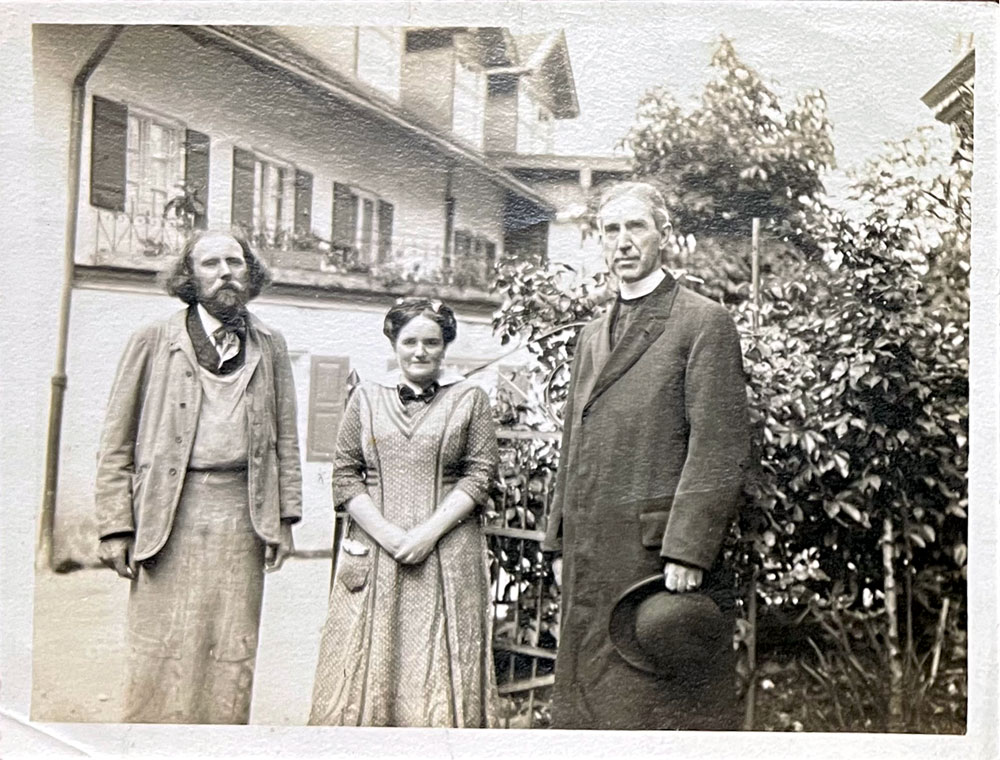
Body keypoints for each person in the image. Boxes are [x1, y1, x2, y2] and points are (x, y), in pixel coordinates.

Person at [542, 181, 751, 730]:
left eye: (636, 227)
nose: (623, 242)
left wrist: (689, 549)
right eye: (611, 230)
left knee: (651, 707)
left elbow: (720, 445)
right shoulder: (591, 334)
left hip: (653, 562)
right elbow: (573, 440)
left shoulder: (701, 322)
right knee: (588, 709)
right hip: (590, 550)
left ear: (665, 236)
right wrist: (559, 537)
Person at [94, 229, 302, 724]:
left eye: (235, 261)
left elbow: (286, 438)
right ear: (189, 276)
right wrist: (115, 525)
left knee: (230, 649)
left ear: (250, 273)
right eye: (211, 263)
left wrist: (285, 518)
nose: (225, 272)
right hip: (169, 510)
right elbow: (116, 440)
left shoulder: (270, 343)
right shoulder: (153, 340)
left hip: (242, 516)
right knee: (159, 649)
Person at [309, 298, 500, 728]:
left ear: (444, 345)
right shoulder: (365, 397)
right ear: (393, 342)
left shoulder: (470, 399)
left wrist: (426, 535)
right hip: (377, 553)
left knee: (437, 666)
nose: (420, 351)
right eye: (409, 340)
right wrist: (390, 536)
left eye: (431, 342)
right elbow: (344, 474)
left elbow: (480, 474)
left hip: (446, 552)